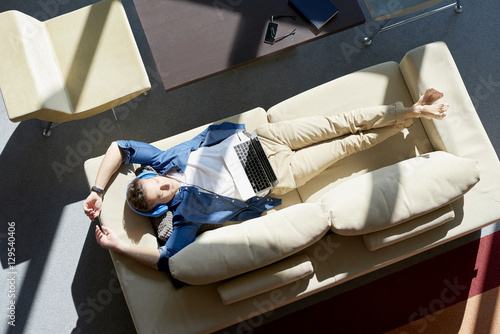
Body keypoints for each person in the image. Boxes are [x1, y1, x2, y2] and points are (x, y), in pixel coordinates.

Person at [84, 88, 448, 273]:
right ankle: (413, 115)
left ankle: (413, 110)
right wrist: (119, 247)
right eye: (161, 191)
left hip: (263, 140)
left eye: (157, 181)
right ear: (160, 205)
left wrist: (97, 191)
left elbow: (121, 145)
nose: (165, 184)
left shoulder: (163, 163)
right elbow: (167, 260)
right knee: (351, 144)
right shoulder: (184, 218)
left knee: (343, 121)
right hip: (276, 177)